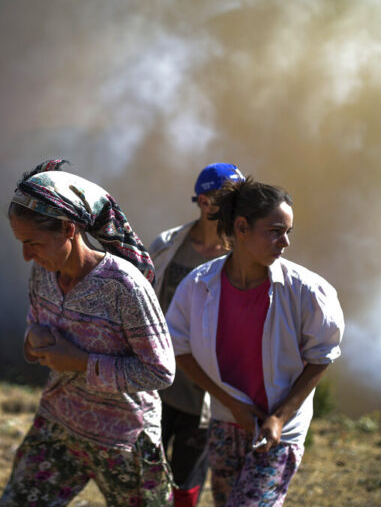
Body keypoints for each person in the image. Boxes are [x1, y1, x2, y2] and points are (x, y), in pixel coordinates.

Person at [0, 159, 176, 507]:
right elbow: (36, 322)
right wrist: (32, 341)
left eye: (33, 242)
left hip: (123, 439)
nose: (25, 256)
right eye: (21, 243)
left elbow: (159, 371)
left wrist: (80, 362)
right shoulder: (43, 273)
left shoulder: (123, 286)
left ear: (68, 229)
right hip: (58, 425)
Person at [165, 177, 344, 506]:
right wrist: (231, 404)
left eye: (289, 231)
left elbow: (322, 355)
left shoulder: (306, 291)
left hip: (280, 432)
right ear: (242, 227)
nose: (285, 242)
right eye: (276, 231)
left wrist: (279, 418)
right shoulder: (199, 285)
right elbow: (179, 347)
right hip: (224, 421)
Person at [149, 163, 245, 507]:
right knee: (144, 478)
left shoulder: (243, 260)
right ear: (204, 202)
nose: (236, 206)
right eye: (226, 198)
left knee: (187, 485)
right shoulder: (167, 246)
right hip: (154, 388)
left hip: (204, 395)